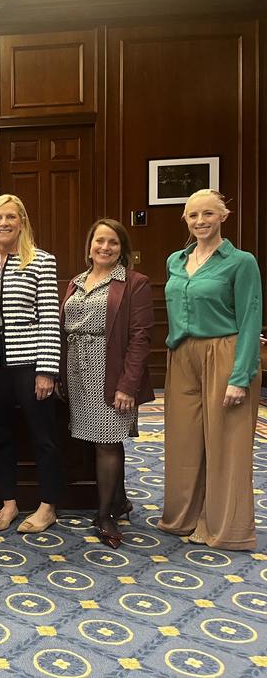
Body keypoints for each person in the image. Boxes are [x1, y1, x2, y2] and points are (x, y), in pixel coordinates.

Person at [158, 190, 262, 550]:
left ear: (224, 216)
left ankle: (224, 528)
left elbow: (251, 318)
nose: (200, 221)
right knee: (183, 441)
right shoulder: (175, 260)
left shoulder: (241, 261)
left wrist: (240, 376)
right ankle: (183, 517)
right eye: (192, 216)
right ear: (185, 220)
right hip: (181, 354)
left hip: (224, 351)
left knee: (226, 444)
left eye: (208, 214)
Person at [60, 219, 154, 549]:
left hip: (110, 370)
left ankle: (104, 516)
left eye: (113, 242)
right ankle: (120, 500)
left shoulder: (134, 283)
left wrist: (127, 385)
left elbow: (141, 337)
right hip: (77, 369)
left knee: (108, 441)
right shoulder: (76, 281)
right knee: (97, 440)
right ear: (89, 246)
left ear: (122, 248)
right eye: (99, 240)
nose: (105, 247)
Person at [0, 194, 63, 533]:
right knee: (0, 437)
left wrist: (46, 370)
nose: (3, 223)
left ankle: (47, 505)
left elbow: (49, 321)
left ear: (22, 222)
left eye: (10, 217)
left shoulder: (41, 261)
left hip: (30, 365)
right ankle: (9, 502)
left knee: (43, 437)